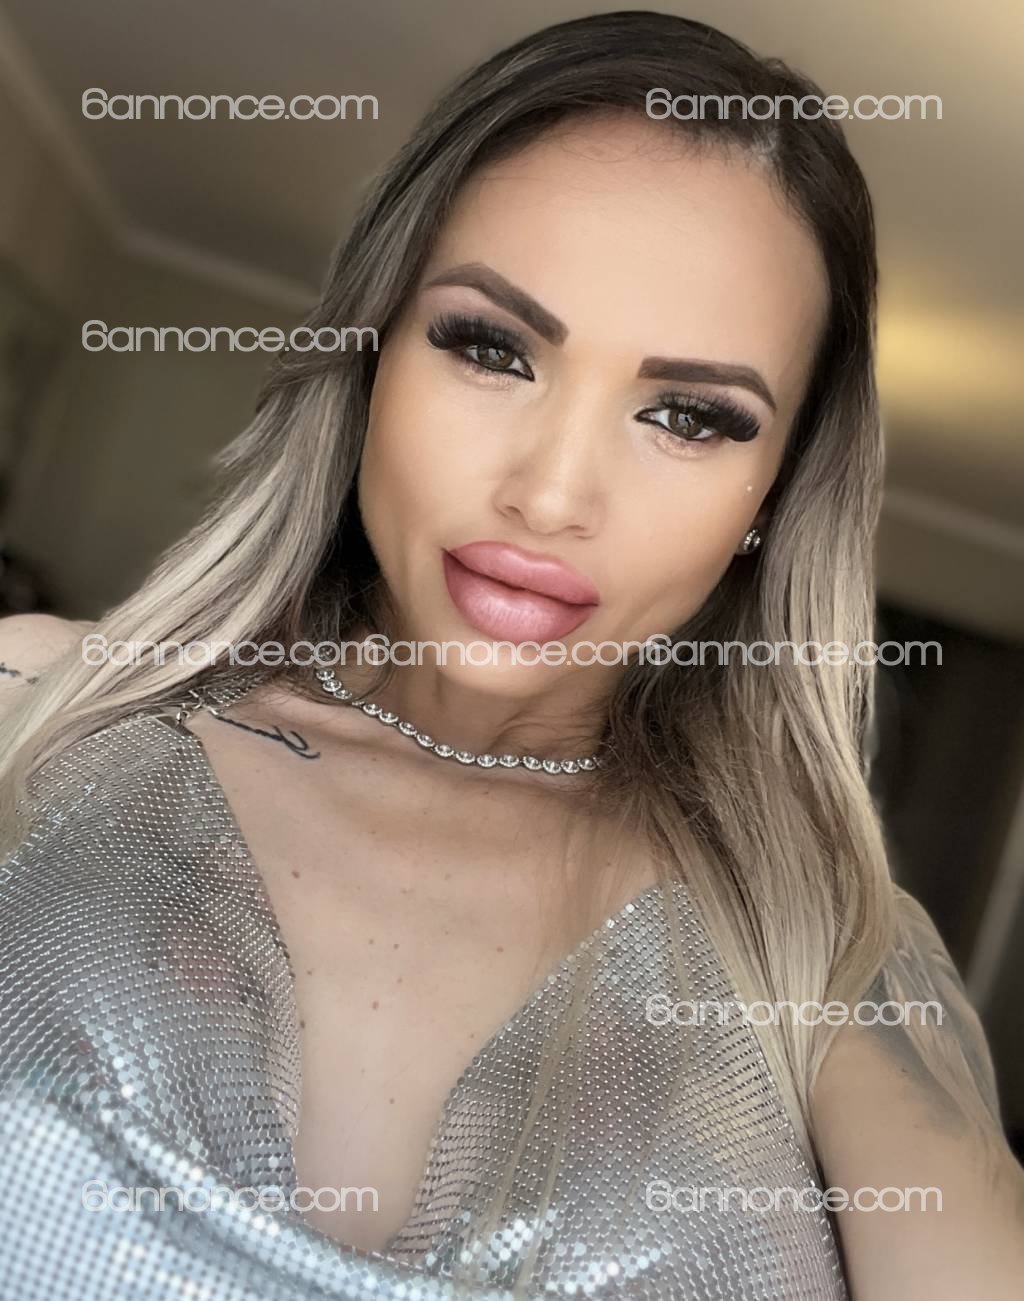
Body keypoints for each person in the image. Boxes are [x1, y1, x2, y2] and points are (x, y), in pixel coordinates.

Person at [0, 11, 1021, 1299]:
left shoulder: (826, 945)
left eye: (689, 416)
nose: (550, 494)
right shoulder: (37, 711)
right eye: (491, 348)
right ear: (371, 355)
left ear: (775, 492)